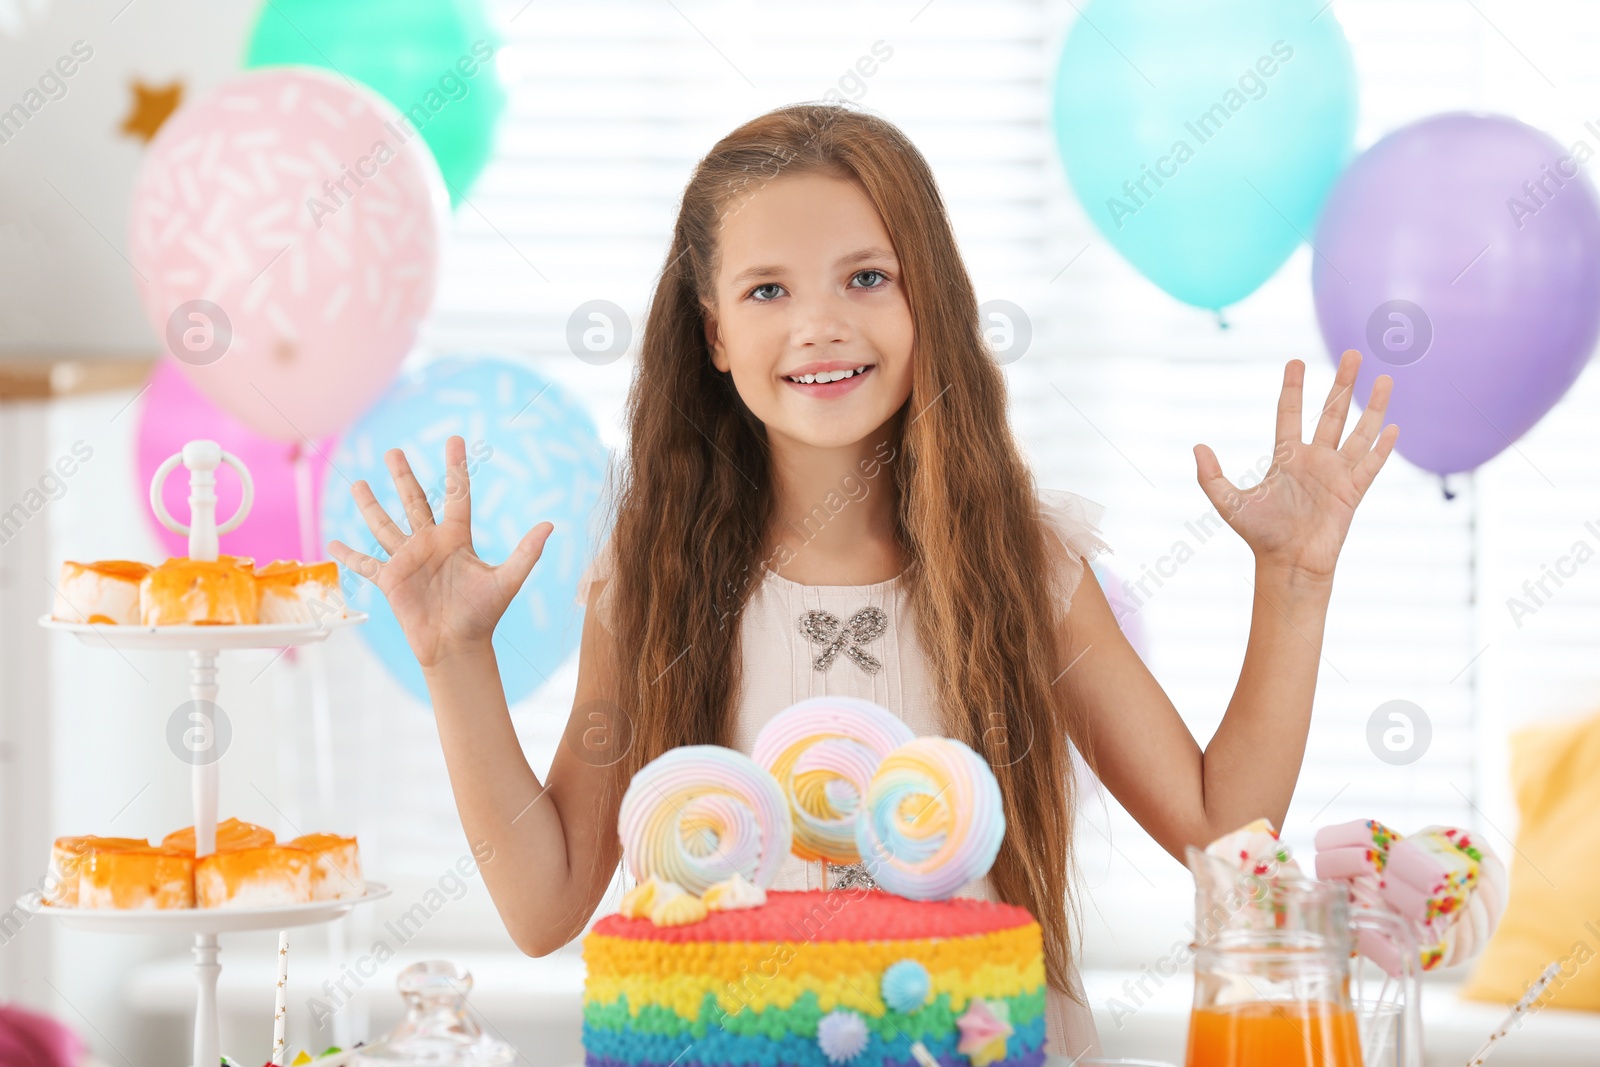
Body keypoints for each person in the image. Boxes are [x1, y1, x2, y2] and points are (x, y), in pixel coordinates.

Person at [329, 102, 1398, 1059]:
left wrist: (1293, 579)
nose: (820, 323)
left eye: (866, 277)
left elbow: (1222, 824)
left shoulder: (1022, 567)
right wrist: (456, 658)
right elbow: (542, 902)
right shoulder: (652, 579)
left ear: (926, 295)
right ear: (712, 331)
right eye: (767, 289)